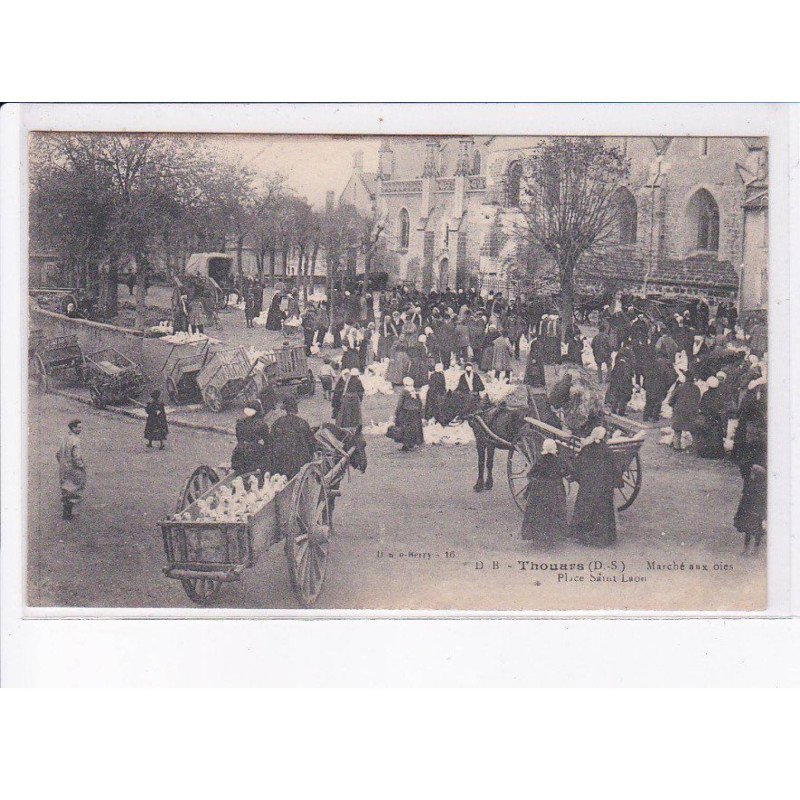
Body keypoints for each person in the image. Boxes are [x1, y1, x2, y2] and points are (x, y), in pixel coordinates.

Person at [569, 426, 617, 547]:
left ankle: (583, 535)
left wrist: (577, 477)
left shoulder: (586, 449)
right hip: (604, 488)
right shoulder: (608, 451)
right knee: (603, 510)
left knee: (585, 506)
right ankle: (604, 537)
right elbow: (615, 470)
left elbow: (578, 466)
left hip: (588, 487)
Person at [521, 438, 567, 545]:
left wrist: (537, 482)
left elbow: (530, 475)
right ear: (555, 449)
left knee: (539, 512)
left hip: (540, 490)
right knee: (556, 511)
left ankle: (539, 536)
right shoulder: (559, 460)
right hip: (555, 489)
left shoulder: (540, 460)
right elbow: (567, 471)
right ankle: (555, 535)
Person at [270, 396, 317, 479]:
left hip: (281, 463)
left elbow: (271, 441)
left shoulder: (277, 422)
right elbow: (311, 443)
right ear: (295, 408)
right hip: (299, 462)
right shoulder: (302, 422)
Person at [56, 419, 86, 521]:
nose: (80, 429)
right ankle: (68, 516)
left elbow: (58, 453)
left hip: (64, 468)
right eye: (79, 427)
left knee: (66, 489)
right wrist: (81, 466)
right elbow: (76, 456)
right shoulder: (76, 440)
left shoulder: (64, 438)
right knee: (74, 490)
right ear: (73, 428)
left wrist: (62, 463)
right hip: (73, 469)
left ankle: (66, 514)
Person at [734, 463, 767, 554]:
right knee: (750, 531)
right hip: (751, 511)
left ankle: (754, 550)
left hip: (755, 512)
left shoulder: (759, 488)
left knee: (757, 531)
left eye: (753, 472)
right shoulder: (752, 485)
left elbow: (763, 502)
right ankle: (747, 549)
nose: (751, 474)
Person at [695, 375, 726, 458]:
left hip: (708, 417)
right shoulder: (719, 394)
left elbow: (701, 406)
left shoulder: (706, 394)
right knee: (717, 435)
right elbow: (722, 406)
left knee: (707, 435)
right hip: (717, 418)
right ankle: (718, 453)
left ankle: (707, 453)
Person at [669, 373, 702, 451]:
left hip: (679, 412)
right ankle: (695, 446)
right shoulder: (696, 388)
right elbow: (698, 400)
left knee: (677, 430)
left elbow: (671, 400)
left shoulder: (680, 388)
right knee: (693, 430)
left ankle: (677, 446)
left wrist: (674, 407)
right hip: (692, 412)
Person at [394, 377, 425, 451]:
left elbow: (400, 404)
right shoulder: (415, 391)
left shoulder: (404, 392)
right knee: (415, 428)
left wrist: (397, 413)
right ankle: (414, 443)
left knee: (406, 429)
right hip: (416, 412)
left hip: (406, 412)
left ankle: (406, 445)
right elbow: (420, 403)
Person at [607, 349, 634, 416]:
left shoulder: (618, 362)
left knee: (616, 395)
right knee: (624, 397)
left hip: (616, 382)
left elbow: (613, 373)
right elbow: (627, 375)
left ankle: (613, 409)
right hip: (624, 383)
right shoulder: (627, 364)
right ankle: (621, 412)